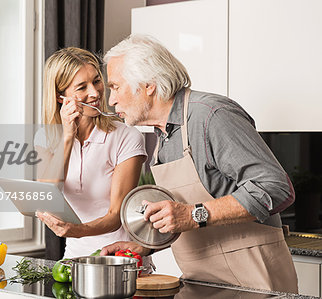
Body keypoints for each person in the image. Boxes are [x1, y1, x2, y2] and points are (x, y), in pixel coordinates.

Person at [100, 34, 298, 293]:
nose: (111, 99)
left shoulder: (211, 116)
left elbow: (276, 188)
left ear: (148, 84)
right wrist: (147, 246)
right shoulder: (164, 135)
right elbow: (183, 218)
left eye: (115, 86)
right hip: (201, 283)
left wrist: (192, 215)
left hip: (254, 282)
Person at [35, 47, 148, 259]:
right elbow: (46, 195)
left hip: (121, 258)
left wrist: (77, 230)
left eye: (96, 81)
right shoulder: (46, 138)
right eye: (82, 87)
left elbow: (116, 215)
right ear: (61, 97)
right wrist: (67, 136)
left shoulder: (127, 137)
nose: (95, 93)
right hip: (74, 259)